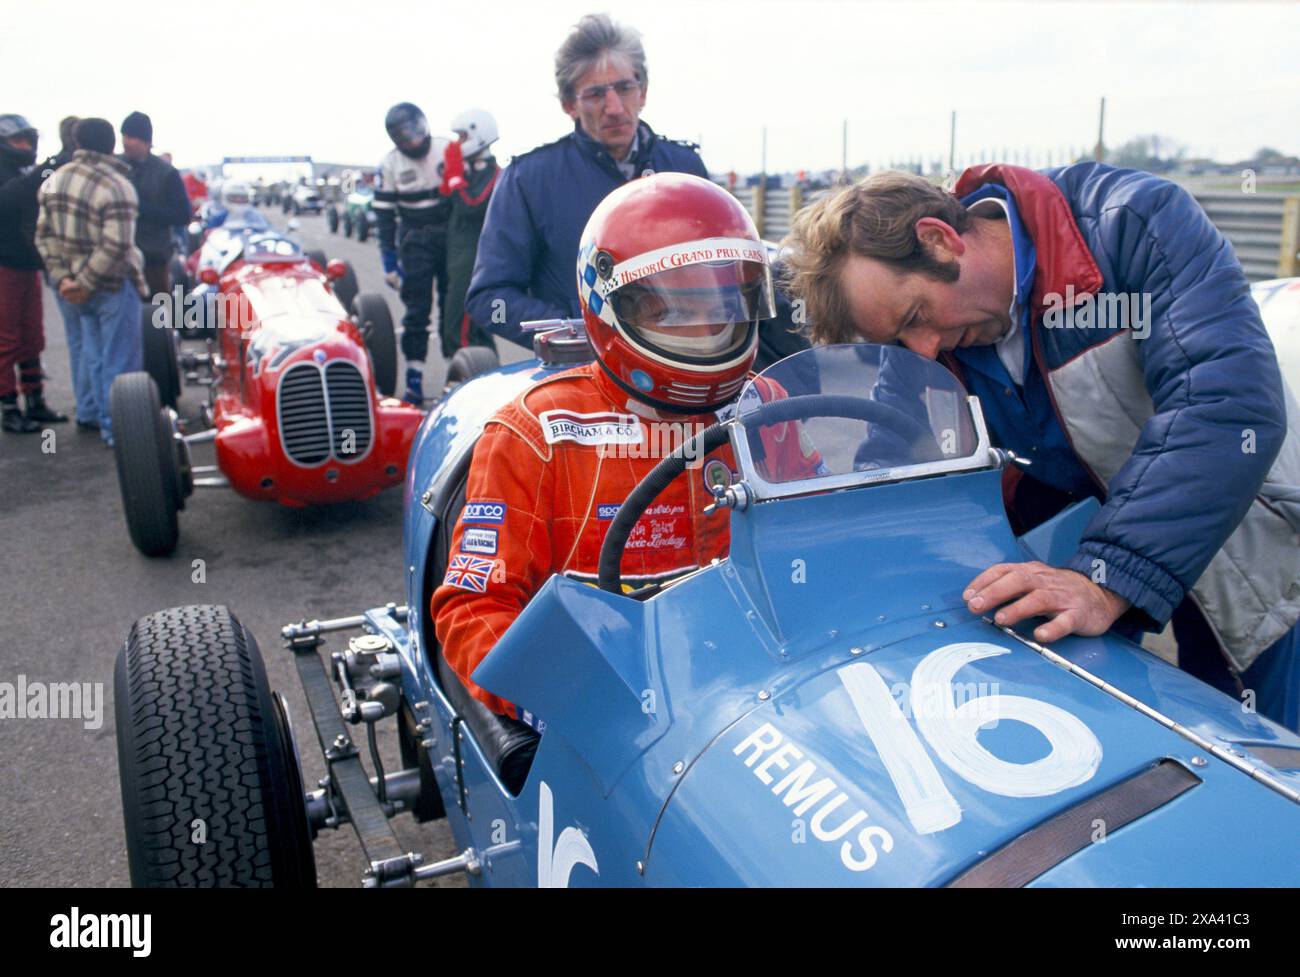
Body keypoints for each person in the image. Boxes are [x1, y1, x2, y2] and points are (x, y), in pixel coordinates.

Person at [781, 164, 1300, 731]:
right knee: (1143, 736)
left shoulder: (1130, 223)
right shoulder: (937, 336)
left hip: (1258, 534)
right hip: (1106, 538)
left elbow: (1225, 403)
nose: (922, 351)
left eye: (916, 317)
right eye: (898, 341)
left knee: (1266, 752)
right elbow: (893, 461)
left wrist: (1105, 579)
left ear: (939, 239)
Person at [432, 173, 818, 721]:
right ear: (612, 305)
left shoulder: (769, 405)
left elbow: (820, 548)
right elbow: (475, 607)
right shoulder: (538, 431)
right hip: (616, 715)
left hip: (763, 692)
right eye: (675, 310)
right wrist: (574, 701)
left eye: (727, 302)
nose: (709, 325)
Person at [464, 13, 708, 351]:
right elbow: (490, 300)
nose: (613, 107)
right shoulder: (529, 179)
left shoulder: (686, 169)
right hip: (582, 374)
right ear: (569, 104)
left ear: (644, 91)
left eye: (625, 88)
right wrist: (572, 330)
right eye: (595, 94)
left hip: (686, 361)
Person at [36, 118, 146, 447]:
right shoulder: (117, 185)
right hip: (111, 285)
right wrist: (86, 281)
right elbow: (117, 245)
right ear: (111, 145)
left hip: (70, 287)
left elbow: (44, 238)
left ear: (77, 143)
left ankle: (93, 413)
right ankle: (119, 431)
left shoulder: (53, 182)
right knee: (121, 361)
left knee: (92, 353)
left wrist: (66, 280)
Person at [373, 102, 451, 405]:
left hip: (449, 236)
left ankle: (455, 372)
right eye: (404, 136)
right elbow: (383, 219)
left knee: (453, 307)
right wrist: (389, 262)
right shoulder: (390, 164)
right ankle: (415, 378)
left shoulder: (447, 148)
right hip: (414, 242)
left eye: (415, 131)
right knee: (417, 311)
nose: (413, 140)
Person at [0, 114, 68, 432]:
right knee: (7, 340)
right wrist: (48, 167)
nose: (25, 146)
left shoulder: (24, 171)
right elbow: (10, 199)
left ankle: (36, 400)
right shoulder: (12, 174)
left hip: (27, 264)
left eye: (29, 140)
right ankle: (9, 407)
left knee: (33, 337)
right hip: (5, 266)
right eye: (19, 141)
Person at [439, 108, 500, 359]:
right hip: (458, 259)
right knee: (472, 327)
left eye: (462, 137)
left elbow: (471, 206)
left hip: (473, 261)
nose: (457, 144)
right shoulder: (469, 171)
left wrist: (455, 179)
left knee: (458, 329)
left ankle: (463, 375)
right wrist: (451, 178)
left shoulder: (493, 173)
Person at [119, 111, 192, 297]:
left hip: (153, 259)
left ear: (145, 140)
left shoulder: (166, 173)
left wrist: (141, 209)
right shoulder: (115, 166)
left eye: (131, 137)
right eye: (124, 136)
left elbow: (183, 214)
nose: (126, 142)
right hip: (118, 260)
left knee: (157, 316)